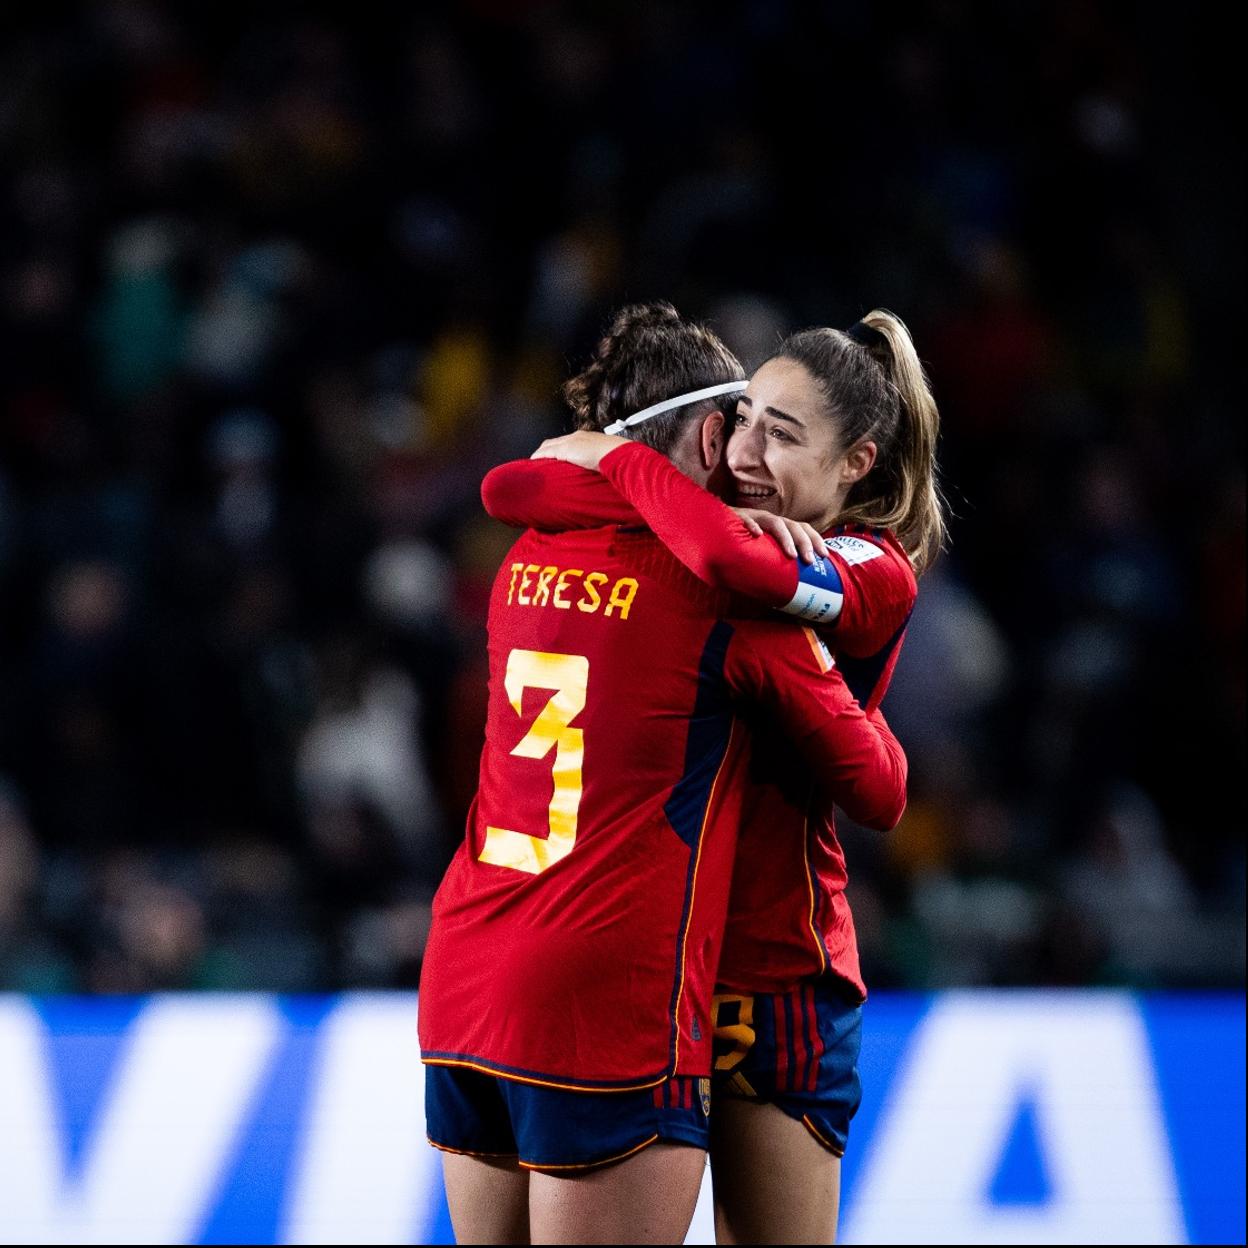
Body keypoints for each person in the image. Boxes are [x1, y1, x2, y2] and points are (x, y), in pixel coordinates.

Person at [418, 304, 910, 1245]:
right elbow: (882, 785)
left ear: (858, 463)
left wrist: (602, 458)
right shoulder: (729, 593)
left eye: (783, 431)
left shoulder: (530, 550)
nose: (750, 456)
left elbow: (509, 489)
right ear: (712, 429)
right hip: (643, 979)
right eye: (745, 425)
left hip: (483, 968)